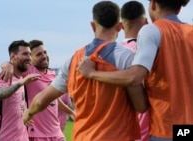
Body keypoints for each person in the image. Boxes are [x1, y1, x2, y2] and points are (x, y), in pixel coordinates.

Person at [22, 1, 149, 141]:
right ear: (120, 27)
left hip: (83, 136)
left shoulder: (73, 60)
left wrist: (28, 113)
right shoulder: (126, 57)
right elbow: (141, 105)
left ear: (93, 26)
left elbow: (41, 100)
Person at [77, 0, 193, 141]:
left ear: (154, 4)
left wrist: (92, 73)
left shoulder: (152, 30)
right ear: (179, 9)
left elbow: (134, 77)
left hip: (166, 128)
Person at [0, 39, 74, 141]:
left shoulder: (52, 74)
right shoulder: (29, 71)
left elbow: (53, 100)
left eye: (45, 52)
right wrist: (7, 65)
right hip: (36, 134)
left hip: (56, 133)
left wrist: (72, 113)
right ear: (31, 58)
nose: (44, 56)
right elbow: (8, 64)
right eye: (39, 54)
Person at [0, 40, 40, 141]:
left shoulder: (21, 77)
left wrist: (24, 113)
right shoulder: (5, 75)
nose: (29, 57)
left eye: (29, 54)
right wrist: (21, 83)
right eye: (25, 54)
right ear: (13, 57)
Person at [120, 1, 149, 141]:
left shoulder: (109, 54)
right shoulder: (153, 52)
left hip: (120, 131)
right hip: (151, 130)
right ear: (146, 22)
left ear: (121, 25)